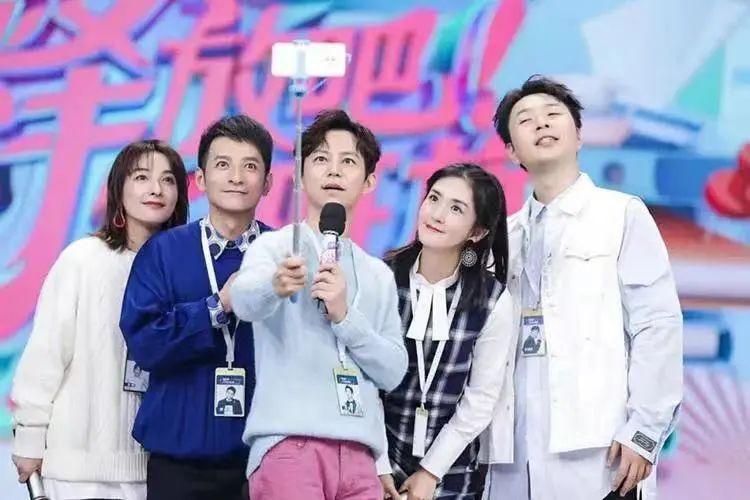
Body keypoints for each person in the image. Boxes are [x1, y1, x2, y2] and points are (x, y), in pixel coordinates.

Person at [482, 76, 683, 500]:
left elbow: (657, 325)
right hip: (512, 452)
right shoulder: (503, 237)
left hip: (600, 448)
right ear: (512, 151)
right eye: (526, 120)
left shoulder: (620, 214)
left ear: (578, 135)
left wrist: (644, 431)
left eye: (553, 114)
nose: (541, 123)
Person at [230, 109, 408, 500]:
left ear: (369, 181)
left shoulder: (377, 273)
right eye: (321, 159)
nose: (334, 171)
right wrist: (274, 285)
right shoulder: (276, 247)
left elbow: (393, 370)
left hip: (359, 457)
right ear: (299, 174)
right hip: (290, 444)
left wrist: (345, 317)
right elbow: (243, 301)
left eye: (348, 162)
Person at [11, 139, 189, 500]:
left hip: (157, 471)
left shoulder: (185, 270)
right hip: (78, 473)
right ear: (118, 189)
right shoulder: (82, 260)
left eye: (168, 180)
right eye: (142, 177)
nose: (156, 189)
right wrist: (29, 438)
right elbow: (45, 357)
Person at [119, 115, 274, 500]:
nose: (236, 177)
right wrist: (218, 307)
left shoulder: (284, 254)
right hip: (179, 461)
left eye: (250, 166)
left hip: (264, 460)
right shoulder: (163, 251)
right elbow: (145, 343)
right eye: (223, 164)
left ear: (268, 182)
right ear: (201, 179)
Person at [378, 163, 517, 500]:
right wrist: (379, 465)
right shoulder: (382, 277)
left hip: (450, 475)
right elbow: (365, 383)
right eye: (434, 199)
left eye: (456, 209)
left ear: (477, 232)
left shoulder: (491, 299)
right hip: (376, 465)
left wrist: (430, 472)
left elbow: (481, 398)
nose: (437, 214)